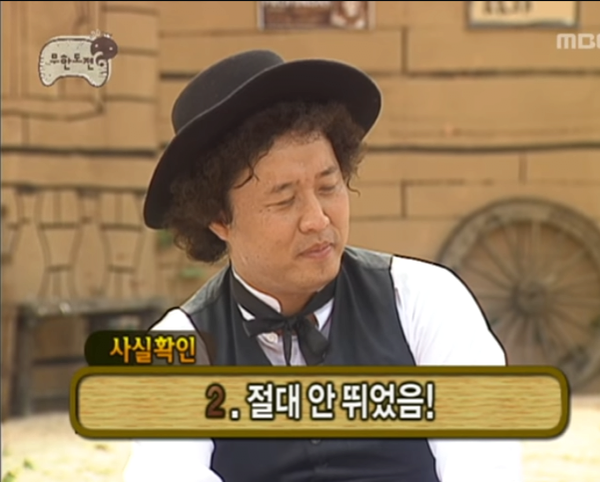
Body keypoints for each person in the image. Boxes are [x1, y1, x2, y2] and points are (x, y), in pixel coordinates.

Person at [123, 49, 524, 482]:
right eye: (284, 200)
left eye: (329, 187)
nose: (317, 219)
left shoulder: (423, 300)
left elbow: (485, 466)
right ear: (219, 219)